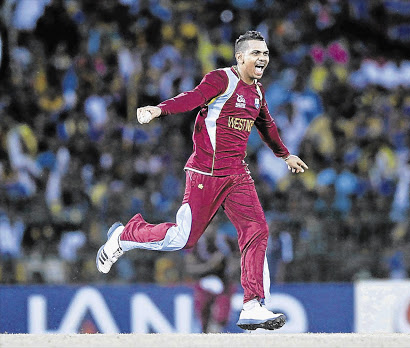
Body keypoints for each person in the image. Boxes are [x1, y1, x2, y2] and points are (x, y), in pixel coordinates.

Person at [96, 30, 309, 331]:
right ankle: (126, 235)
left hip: (236, 173)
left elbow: (266, 124)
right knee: (184, 239)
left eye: (265, 53)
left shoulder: (257, 92)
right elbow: (193, 98)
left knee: (257, 229)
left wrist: (284, 155)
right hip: (205, 173)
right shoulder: (222, 79)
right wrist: (159, 109)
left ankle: (252, 304)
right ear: (240, 57)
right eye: (256, 53)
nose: (263, 58)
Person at [184, 220, 239, 333]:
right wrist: (210, 265)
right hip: (203, 282)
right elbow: (190, 268)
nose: (209, 229)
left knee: (221, 317)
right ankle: (205, 334)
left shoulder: (226, 240)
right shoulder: (195, 244)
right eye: (206, 226)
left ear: (216, 226)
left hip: (224, 283)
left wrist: (232, 266)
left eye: (212, 225)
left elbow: (240, 256)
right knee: (203, 316)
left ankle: (216, 332)